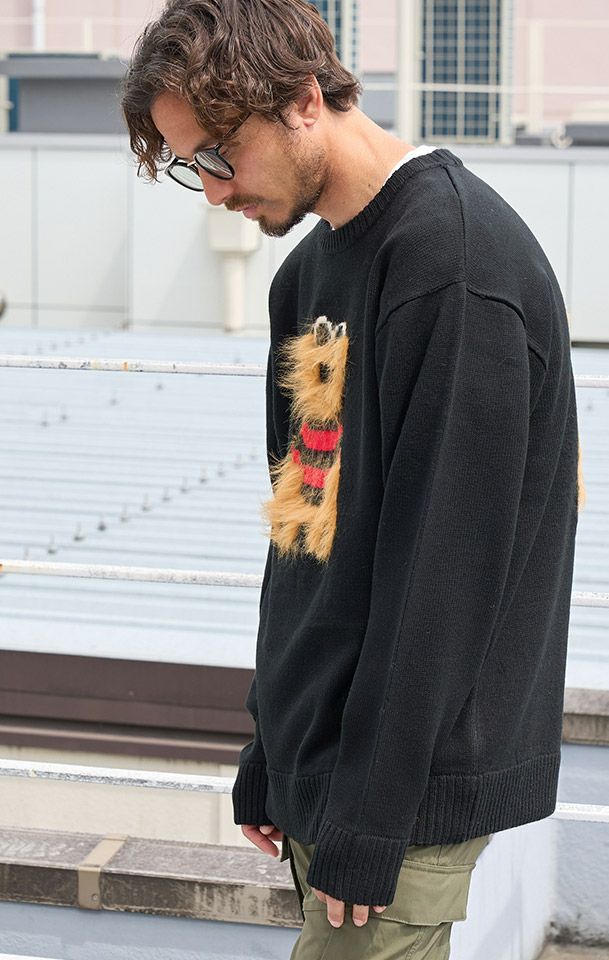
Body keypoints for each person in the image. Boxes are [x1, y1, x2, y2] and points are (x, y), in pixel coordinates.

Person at [120, 1, 585, 956]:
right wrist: (273, 745)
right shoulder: (307, 277)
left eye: (219, 154)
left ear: (302, 101)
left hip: (401, 790)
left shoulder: (455, 267)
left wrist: (373, 813)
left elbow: (445, 580)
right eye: (191, 166)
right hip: (330, 762)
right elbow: (301, 532)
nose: (213, 192)